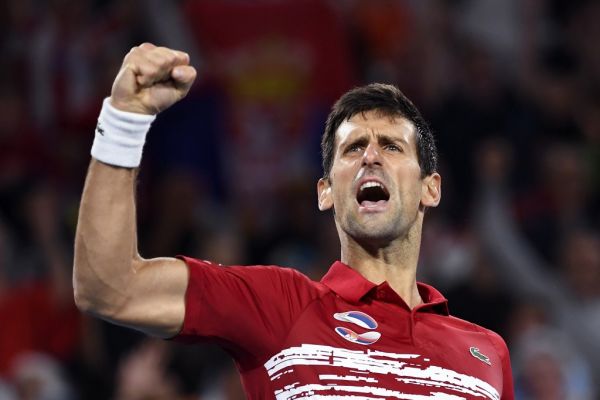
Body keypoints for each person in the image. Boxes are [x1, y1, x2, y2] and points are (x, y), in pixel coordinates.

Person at [73, 43, 514, 399]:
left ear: (430, 189)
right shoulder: (278, 305)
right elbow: (108, 286)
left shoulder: (487, 354)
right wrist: (125, 119)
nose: (372, 158)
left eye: (393, 147)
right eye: (353, 148)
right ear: (325, 192)